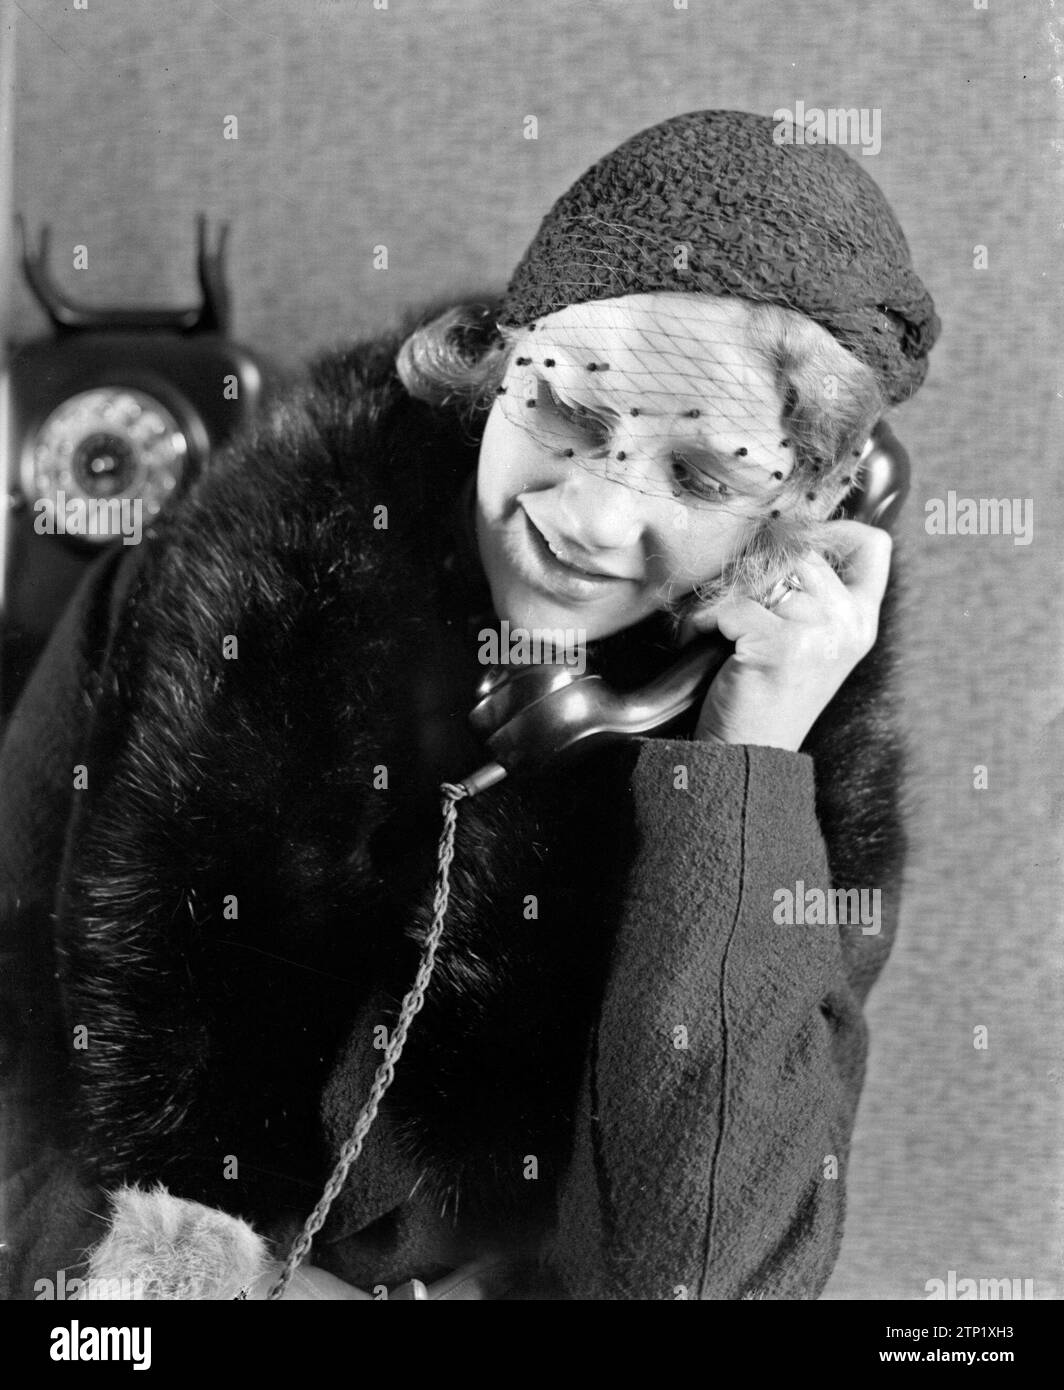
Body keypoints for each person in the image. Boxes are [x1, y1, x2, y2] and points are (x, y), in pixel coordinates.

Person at [0, 109, 939, 1300]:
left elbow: (705, 1277)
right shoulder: (197, 587)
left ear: (799, 507)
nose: (592, 517)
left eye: (701, 476)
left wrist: (742, 768)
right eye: (564, 413)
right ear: (497, 365)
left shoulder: (800, 797)